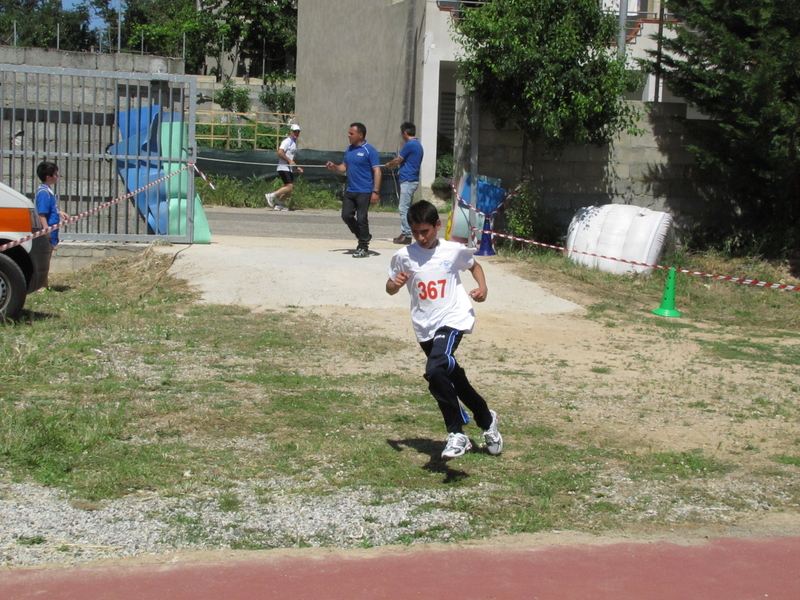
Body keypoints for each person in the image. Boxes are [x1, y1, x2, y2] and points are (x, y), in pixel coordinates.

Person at [385, 200, 503, 459]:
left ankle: (457, 432)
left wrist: (482, 288)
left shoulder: (452, 250)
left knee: (435, 368)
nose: (420, 237)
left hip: (452, 319)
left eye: (425, 231)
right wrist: (395, 283)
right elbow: (390, 287)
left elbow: (475, 266)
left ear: (437, 226)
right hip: (424, 325)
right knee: (450, 376)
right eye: (415, 232)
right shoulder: (404, 256)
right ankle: (486, 418)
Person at [325, 122, 381, 258]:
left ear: (360, 135)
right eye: (349, 133)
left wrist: (376, 191)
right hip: (351, 189)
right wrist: (335, 167)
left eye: (351, 133)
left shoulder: (369, 150)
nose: (348, 135)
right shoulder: (349, 149)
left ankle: (363, 247)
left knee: (362, 218)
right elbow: (344, 167)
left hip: (364, 190)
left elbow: (377, 171)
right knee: (346, 216)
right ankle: (364, 236)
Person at [384, 122, 423, 245]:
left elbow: (399, 159)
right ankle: (407, 232)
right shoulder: (418, 145)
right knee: (408, 209)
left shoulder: (410, 145)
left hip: (408, 180)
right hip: (412, 179)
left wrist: (389, 165)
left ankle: (407, 234)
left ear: (405, 133)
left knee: (403, 208)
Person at [35, 161, 69, 291]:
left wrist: (59, 212)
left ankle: (45, 284)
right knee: (45, 259)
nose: (57, 176)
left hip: (52, 227)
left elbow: (50, 209)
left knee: (48, 257)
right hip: (48, 229)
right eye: (55, 174)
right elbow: (42, 213)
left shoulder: (48, 191)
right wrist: (46, 230)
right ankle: (40, 286)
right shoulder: (43, 193)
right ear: (48, 177)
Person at [266, 123, 304, 211]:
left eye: (298, 132)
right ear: (291, 132)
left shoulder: (293, 143)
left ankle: (279, 204)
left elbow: (291, 158)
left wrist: (296, 167)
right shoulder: (287, 141)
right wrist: (289, 161)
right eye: (295, 132)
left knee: (290, 189)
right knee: (289, 187)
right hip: (283, 167)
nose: (296, 133)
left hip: (288, 168)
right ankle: (271, 195)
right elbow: (280, 152)